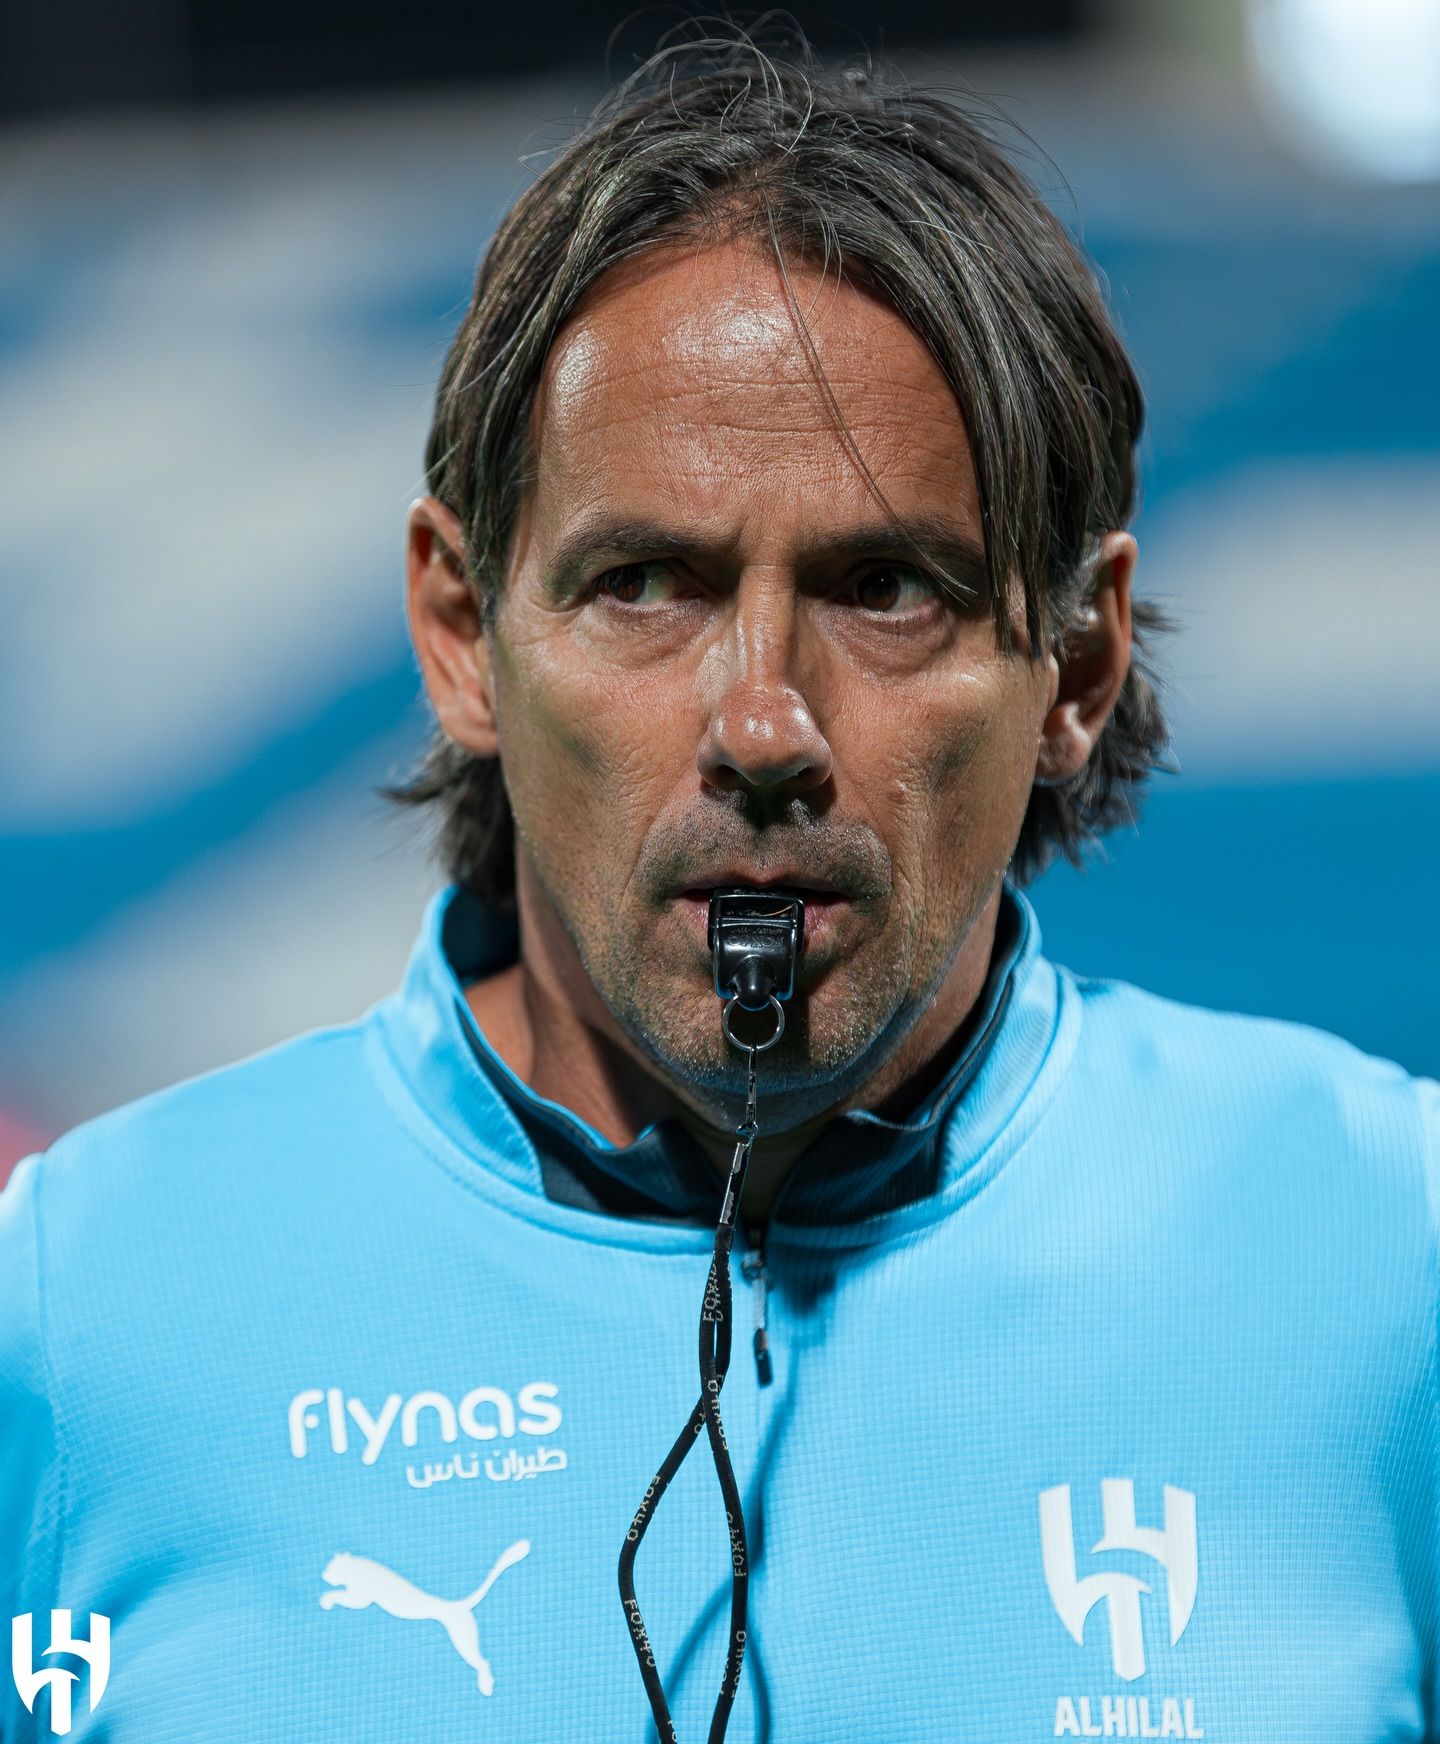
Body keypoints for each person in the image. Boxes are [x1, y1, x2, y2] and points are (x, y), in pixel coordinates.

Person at [2, 32, 1436, 1744]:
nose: (764, 726)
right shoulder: (75, 1312)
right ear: (461, 635)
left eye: (886, 587)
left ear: (1077, 664)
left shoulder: (1393, 1252)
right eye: (646, 584)